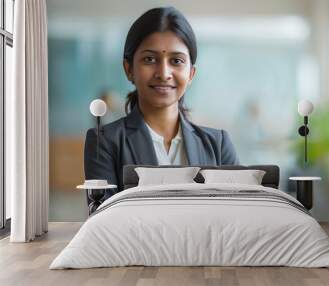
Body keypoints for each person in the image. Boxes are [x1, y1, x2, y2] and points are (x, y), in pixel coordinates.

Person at [84, 7, 239, 201]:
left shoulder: (218, 145)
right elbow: (103, 220)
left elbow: (235, 216)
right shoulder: (104, 142)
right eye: (150, 59)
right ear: (129, 68)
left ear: (191, 74)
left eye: (176, 60)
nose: (164, 73)